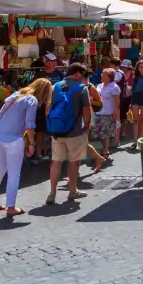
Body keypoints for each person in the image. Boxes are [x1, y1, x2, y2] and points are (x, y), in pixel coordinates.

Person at [0, 78, 53, 216]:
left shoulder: (15, 95)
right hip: (14, 139)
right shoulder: (32, 100)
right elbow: (30, 124)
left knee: (0, 168)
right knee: (14, 173)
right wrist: (31, 143)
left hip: (0, 136)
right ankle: (11, 207)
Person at [47, 63, 92, 205]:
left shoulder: (55, 86)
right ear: (77, 73)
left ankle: (52, 193)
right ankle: (73, 190)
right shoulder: (82, 88)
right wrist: (86, 128)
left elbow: (48, 109)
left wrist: (52, 126)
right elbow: (87, 111)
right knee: (74, 162)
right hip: (75, 132)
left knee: (56, 162)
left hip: (57, 131)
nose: (84, 79)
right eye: (83, 76)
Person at [93, 68, 121, 160]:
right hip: (98, 112)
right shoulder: (99, 86)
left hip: (108, 113)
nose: (101, 75)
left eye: (104, 74)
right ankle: (105, 149)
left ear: (109, 76)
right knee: (99, 133)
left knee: (105, 133)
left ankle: (105, 150)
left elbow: (117, 101)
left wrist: (115, 111)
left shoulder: (114, 87)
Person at [117, 58, 134, 144]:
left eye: (125, 66)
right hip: (120, 96)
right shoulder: (119, 74)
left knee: (126, 114)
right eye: (123, 66)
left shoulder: (132, 74)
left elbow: (134, 84)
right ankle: (118, 131)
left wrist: (129, 87)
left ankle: (123, 131)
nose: (123, 68)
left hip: (128, 97)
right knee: (119, 114)